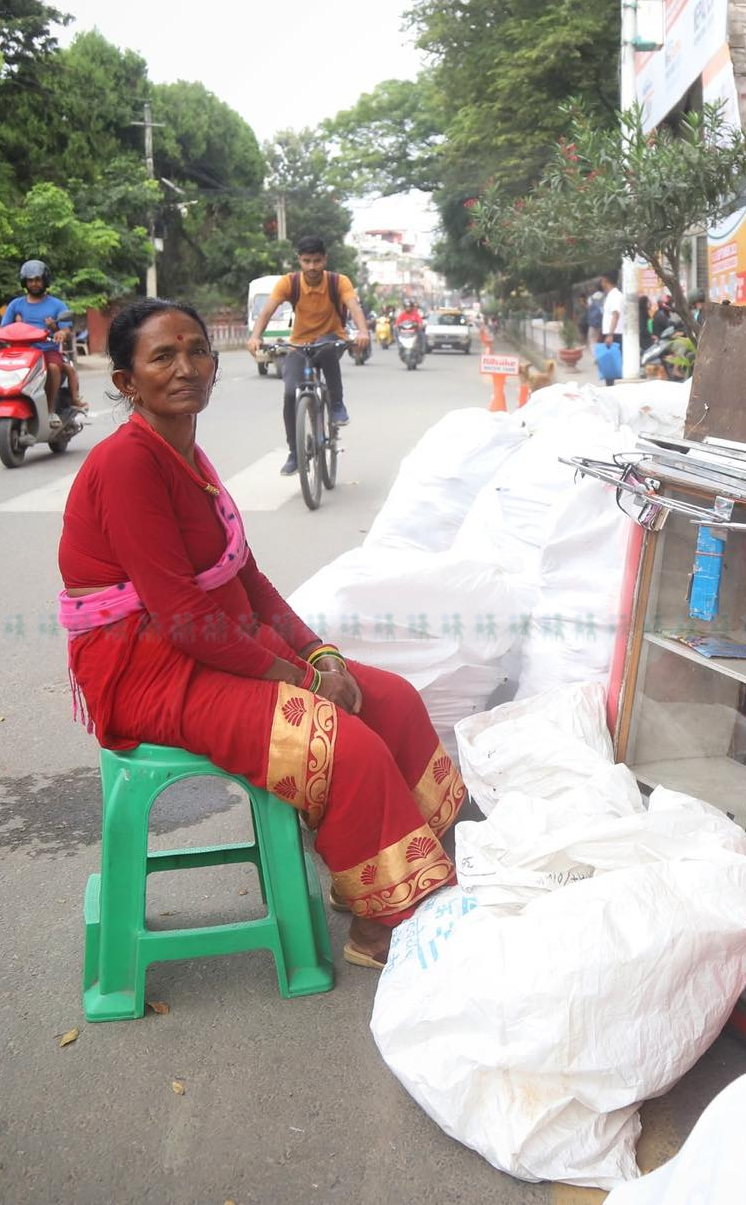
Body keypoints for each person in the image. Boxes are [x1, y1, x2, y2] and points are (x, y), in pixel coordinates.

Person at [59, 299, 463, 968]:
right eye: (163, 357)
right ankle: (382, 925)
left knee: (389, 698)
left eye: (197, 351)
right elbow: (183, 617)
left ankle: (408, 870)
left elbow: (246, 579)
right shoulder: (127, 463)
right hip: (149, 669)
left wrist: (319, 654)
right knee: (343, 746)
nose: (186, 368)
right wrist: (305, 683)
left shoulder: (186, 451)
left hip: (210, 641)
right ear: (127, 381)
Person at [248, 238, 371, 475]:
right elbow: (267, 310)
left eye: (317, 261)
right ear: (299, 261)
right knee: (289, 393)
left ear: (324, 260)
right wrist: (255, 336)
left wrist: (363, 332)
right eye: (307, 261)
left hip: (330, 339)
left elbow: (354, 307)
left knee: (326, 349)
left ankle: (337, 405)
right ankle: (295, 453)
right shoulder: (289, 283)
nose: (312, 266)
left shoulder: (338, 282)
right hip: (300, 344)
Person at [0, 260, 86, 413]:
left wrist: (59, 331)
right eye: (30, 280)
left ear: (45, 281)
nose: (34, 284)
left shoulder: (57, 305)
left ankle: (51, 410)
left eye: (38, 280)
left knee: (53, 368)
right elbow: (3, 328)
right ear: (25, 282)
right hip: (22, 352)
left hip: (47, 350)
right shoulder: (15, 304)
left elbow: (66, 330)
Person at [597, 273, 627, 386]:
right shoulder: (611, 295)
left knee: (613, 367)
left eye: (601, 280)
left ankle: (612, 390)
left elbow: (615, 315)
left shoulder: (615, 296)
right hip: (612, 334)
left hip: (614, 335)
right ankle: (610, 388)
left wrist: (610, 335)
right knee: (609, 367)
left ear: (605, 280)